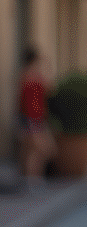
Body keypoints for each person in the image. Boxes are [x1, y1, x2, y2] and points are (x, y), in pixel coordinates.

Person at [16, 46, 56, 181]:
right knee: (41, 150)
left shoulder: (30, 75)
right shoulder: (28, 75)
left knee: (30, 151)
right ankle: (32, 180)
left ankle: (30, 180)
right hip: (30, 118)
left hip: (35, 117)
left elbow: (48, 90)